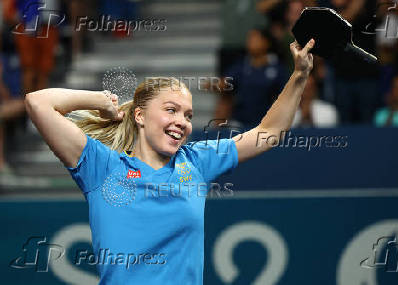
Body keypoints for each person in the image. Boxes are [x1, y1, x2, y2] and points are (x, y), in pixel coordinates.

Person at [24, 38, 315, 283]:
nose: (182, 122)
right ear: (140, 116)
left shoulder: (197, 162)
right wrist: (99, 100)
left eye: (188, 115)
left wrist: (299, 74)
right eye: (171, 110)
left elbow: (269, 132)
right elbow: (38, 103)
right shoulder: (103, 167)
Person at [215, 28, 289, 128]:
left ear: (266, 42)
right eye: (249, 38)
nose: (250, 41)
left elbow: (285, 96)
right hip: (239, 122)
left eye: (255, 38)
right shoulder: (241, 66)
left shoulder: (277, 68)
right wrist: (216, 84)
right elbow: (224, 83)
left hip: (267, 124)